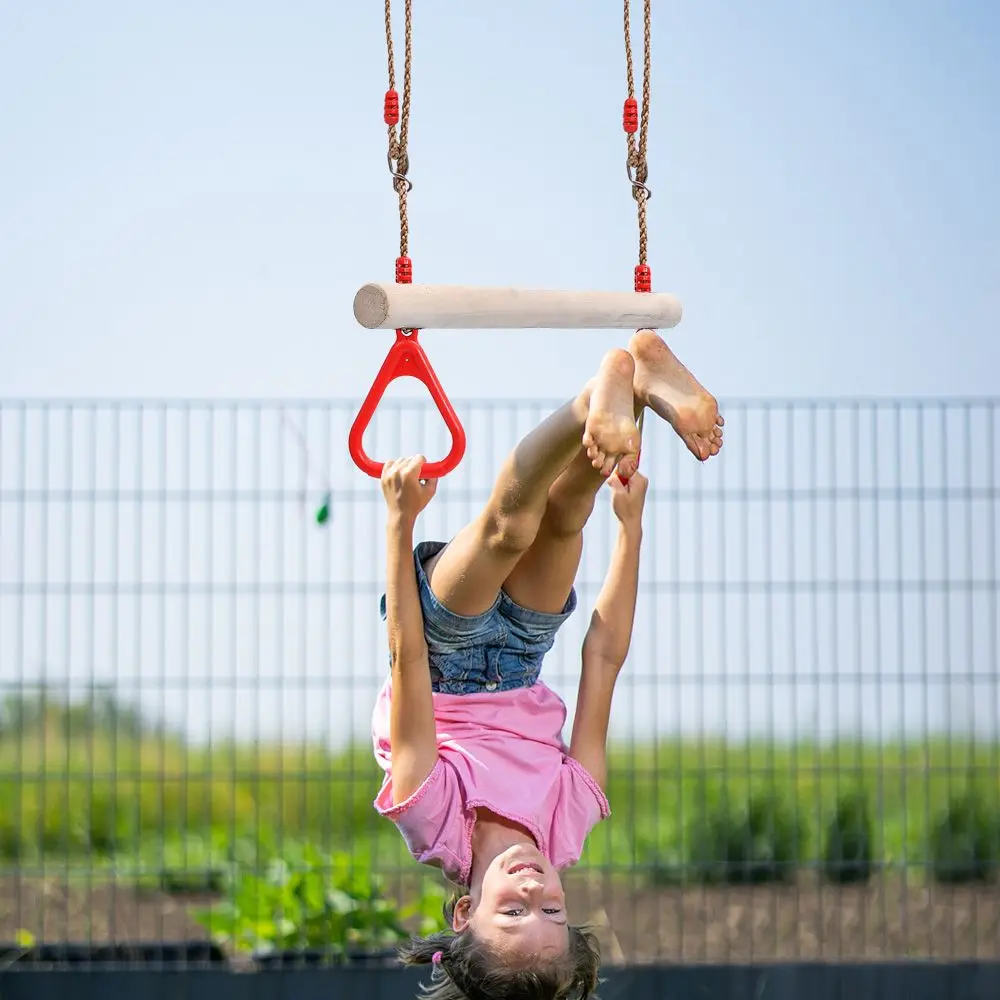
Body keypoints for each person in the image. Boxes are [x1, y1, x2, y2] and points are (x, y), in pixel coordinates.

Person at [370, 331, 723, 999]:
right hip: (526, 654)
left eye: (514, 910)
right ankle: (631, 379)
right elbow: (603, 658)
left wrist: (397, 525)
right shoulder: (569, 819)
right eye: (553, 910)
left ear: (464, 913)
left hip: (442, 648)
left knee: (511, 527)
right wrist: (630, 529)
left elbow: (406, 658)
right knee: (567, 515)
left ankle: (596, 395)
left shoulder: (433, 818)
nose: (534, 888)